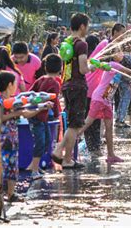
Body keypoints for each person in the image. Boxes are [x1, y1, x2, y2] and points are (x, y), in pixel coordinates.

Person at [78, 52, 131, 163]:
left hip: (107, 100)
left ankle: (111, 155)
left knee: (109, 128)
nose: (121, 54)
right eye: (118, 52)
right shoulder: (114, 65)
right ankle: (71, 144)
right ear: (113, 55)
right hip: (100, 98)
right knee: (88, 122)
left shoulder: (109, 65)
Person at [0, 71, 52, 202]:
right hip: (1, 140)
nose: (17, 86)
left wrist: (41, 108)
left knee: (13, 166)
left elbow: (25, 113)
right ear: (9, 85)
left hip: (12, 140)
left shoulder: (15, 101)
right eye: (15, 83)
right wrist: (14, 114)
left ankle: (11, 194)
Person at [51, 13, 92, 169]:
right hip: (78, 86)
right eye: (87, 26)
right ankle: (59, 150)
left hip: (67, 85)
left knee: (72, 124)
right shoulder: (82, 44)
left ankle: (68, 159)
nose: (87, 29)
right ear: (82, 26)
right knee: (75, 125)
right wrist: (91, 67)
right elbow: (82, 69)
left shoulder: (67, 42)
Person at [84, 23, 125, 153]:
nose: (124, 36)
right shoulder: (106, 44)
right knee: (90, 121)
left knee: (97, 121)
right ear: (115, 32)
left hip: (102, 92)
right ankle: (83, 145)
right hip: (93, 87)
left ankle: (96, 147)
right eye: (122, 33)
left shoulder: (114, 48)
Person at [26, 54, 62, 180]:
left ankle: (34, 166)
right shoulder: (55, 83)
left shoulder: (41, 79)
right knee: (41, 142)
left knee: (46, 140)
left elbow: (30, 92)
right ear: (60, 69)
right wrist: (57, 114)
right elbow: (54, 101)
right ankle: (34, 169)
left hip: (36, 114)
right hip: (39, 116)